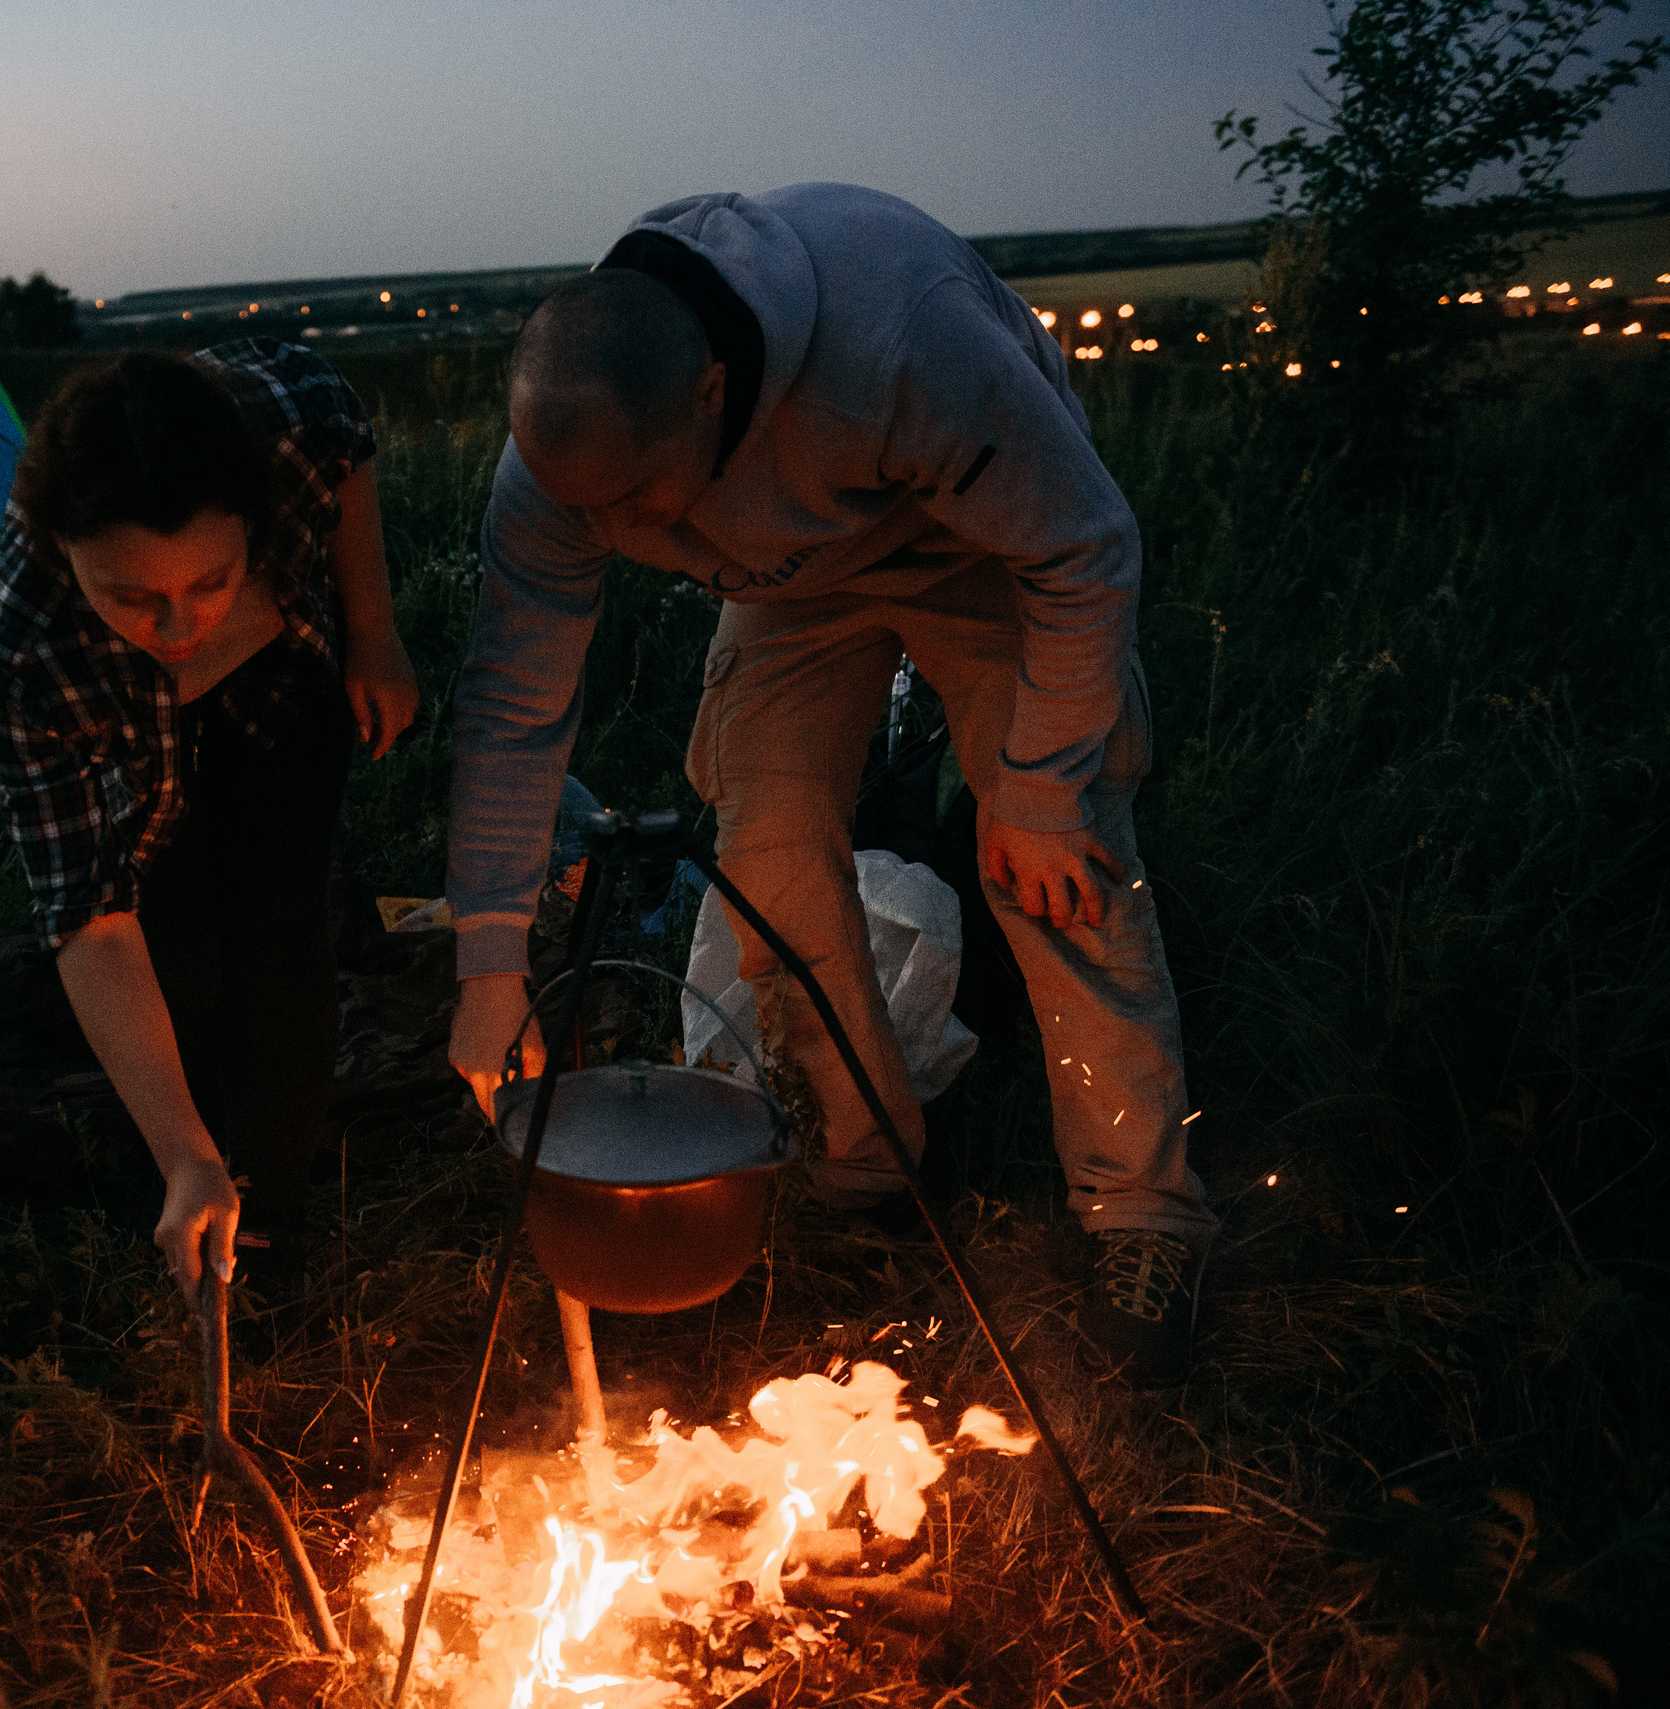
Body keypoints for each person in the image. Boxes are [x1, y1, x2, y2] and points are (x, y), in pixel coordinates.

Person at [442, 184, 1216, 1387]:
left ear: (711, 392)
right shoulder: (568, 459)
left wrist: (1040, 787)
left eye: (637, 503)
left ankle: (1141, 1214)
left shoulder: (905, 345)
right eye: (583, 508)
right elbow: (512, 706)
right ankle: (868, 1167)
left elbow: (1084, 548)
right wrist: (489, 967)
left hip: (984, 550)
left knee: (1055, 872)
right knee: (766, 858)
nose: (610, 531)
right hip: (790, 586)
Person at [0, 339, 417, 1304]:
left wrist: (375, 630)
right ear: (62, 548)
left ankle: (272, 1228)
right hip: (131, 743)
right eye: (132, 597)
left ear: (253, 518)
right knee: (174, 948)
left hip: (283, 683)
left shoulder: (288, 426)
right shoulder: (21, 652)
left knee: (279, 924)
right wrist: (184, 1152)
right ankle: (187, 1179)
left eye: (210, 581)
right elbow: (91, 913)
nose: (178, 629)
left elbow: (347, 426)